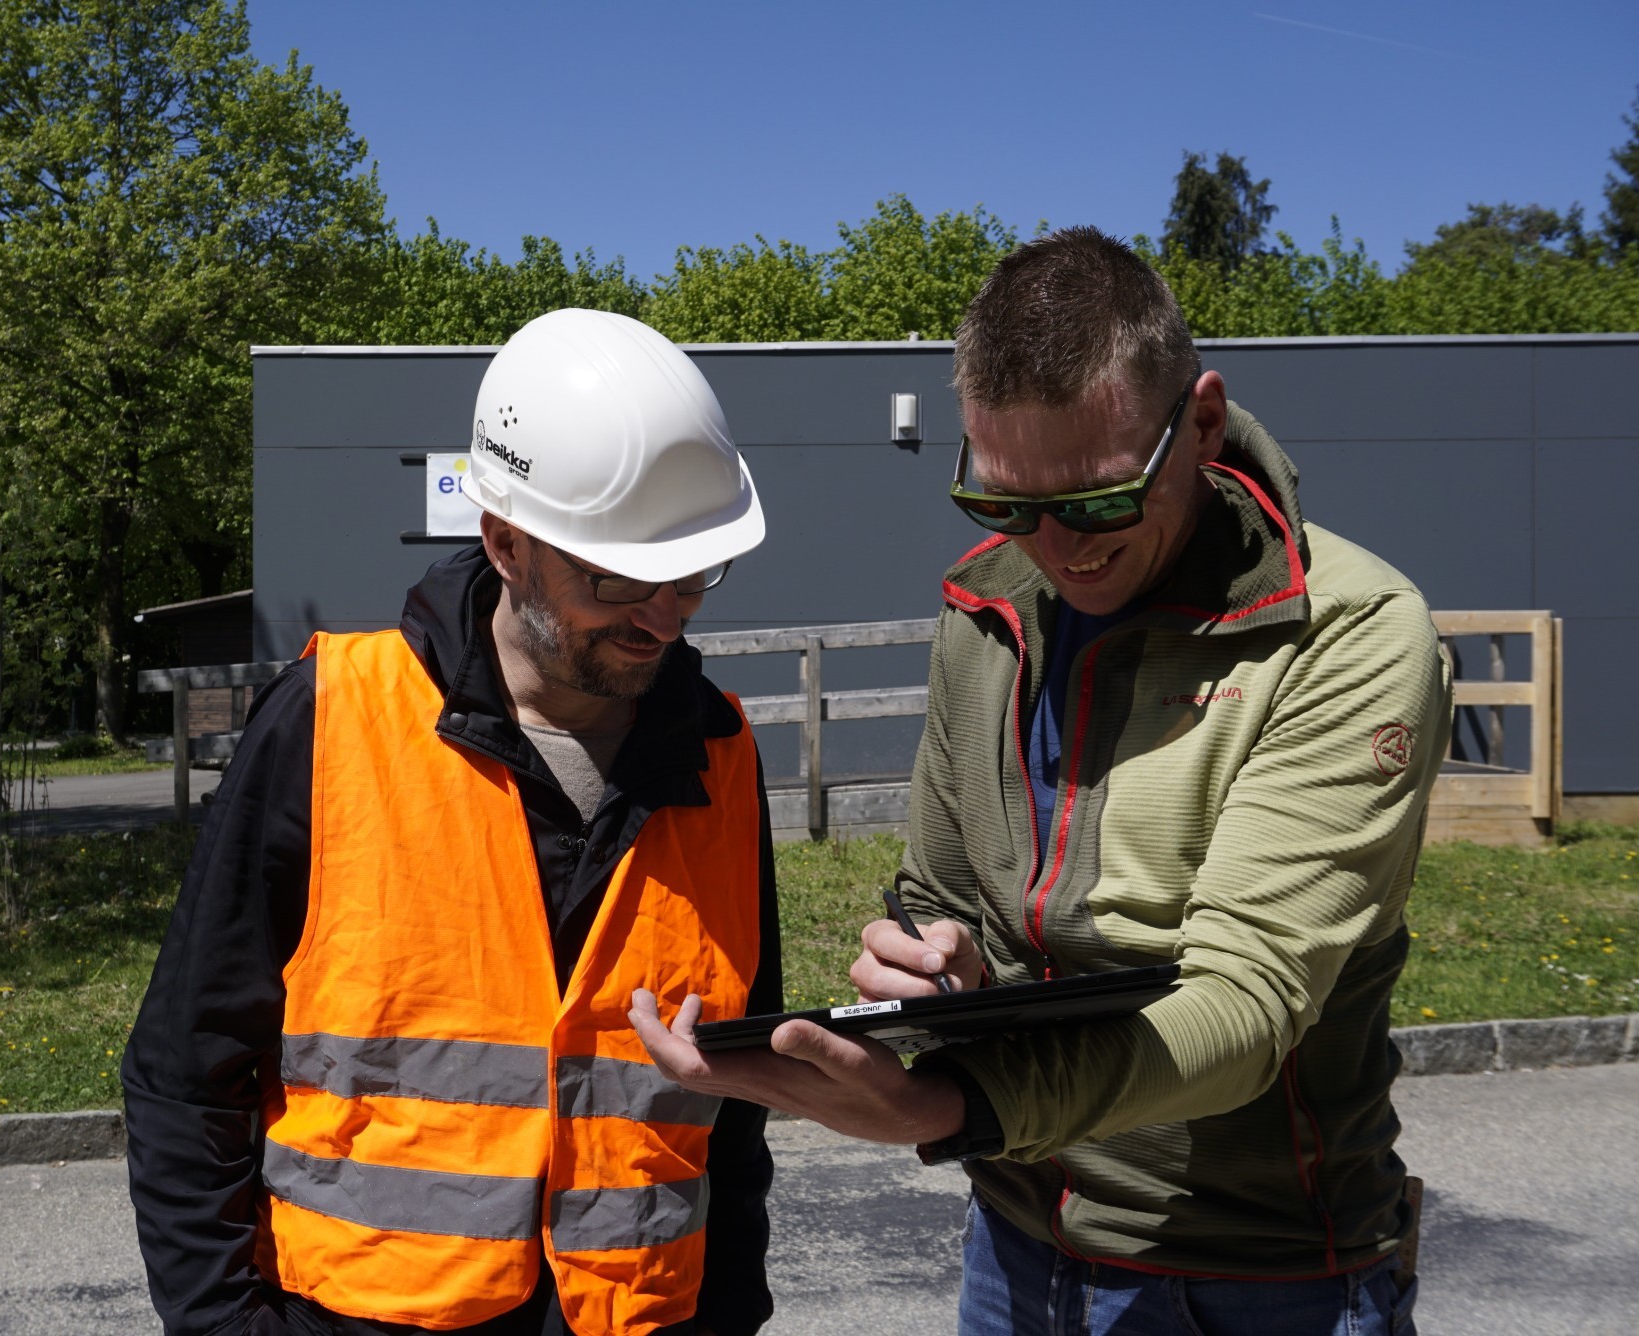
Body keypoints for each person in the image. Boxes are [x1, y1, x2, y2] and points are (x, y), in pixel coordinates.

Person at [633, 228, 1450, 1335]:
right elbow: (936, 892)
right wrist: (926, 965)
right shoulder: (986, 611)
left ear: (1201, 422)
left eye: (1101, 501)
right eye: (1005, 503)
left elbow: (1246, 1007)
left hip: (1259, 1275)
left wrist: (956, 1100)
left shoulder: (1346, 635)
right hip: (1014, 1246)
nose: (1057, 548)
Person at [125, 308, 781, 1336]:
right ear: (505, 541)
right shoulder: (329, 721)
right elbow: (182, 1071)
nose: (665, 614)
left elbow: (734, 1106)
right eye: (616, 579)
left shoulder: (720, 753)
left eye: (694, 573)